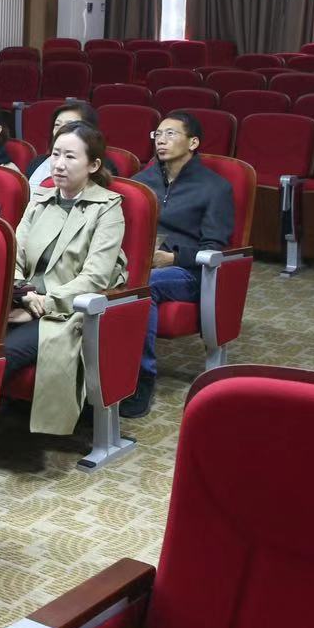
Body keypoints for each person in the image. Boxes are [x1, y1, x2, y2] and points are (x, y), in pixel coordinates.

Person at [3, 122, 127, 434]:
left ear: (93, 165)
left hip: (66, 311)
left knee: (2, 354)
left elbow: (95, 277)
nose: (58, 164)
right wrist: (24, 294)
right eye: (55, 154)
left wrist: (42, 304)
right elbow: (14, 257)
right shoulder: (40, 199)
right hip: (23, 299)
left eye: (70, 157)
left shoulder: (108, 209)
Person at [128, 111, 234, 419]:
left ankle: (141, 378)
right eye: (158, 134)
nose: (161, 140)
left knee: (144, 286)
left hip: (188, 272)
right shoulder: (141, 182)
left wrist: (172, 258)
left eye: (171, 134)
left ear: (193, 143)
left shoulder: (215, 187)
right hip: (140, 263)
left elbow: (214, 248)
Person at [27, 101, 117, 186]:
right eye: (57, 125)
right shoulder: (37, 162)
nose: (61, 130)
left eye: (70, 126)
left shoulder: (103, 166)